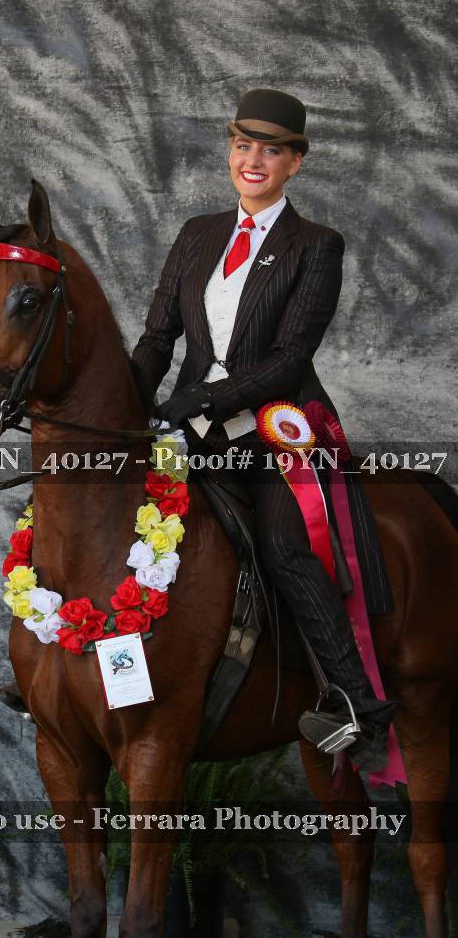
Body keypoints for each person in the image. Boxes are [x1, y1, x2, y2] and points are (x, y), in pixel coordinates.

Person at [130, 88, 395, 771]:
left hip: (274, 431)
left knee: (282, 545)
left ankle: (354, 705)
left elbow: (289, 358)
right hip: (191, 431)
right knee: (113, 519)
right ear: (230, 151)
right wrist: (125, 409)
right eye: (243, 145)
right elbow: (157, 338)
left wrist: (203, 397)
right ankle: (77, 676)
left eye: (270, 150)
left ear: (294, 163)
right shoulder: (197, 233)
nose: (253, 160)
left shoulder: (316, 245)